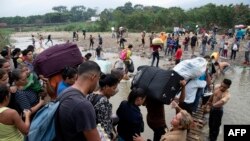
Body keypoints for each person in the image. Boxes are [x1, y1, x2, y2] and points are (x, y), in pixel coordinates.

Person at [55, 61, 101, 141]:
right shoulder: (84, 106)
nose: (98, 83)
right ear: (93, 77)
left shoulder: (65, 92)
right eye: (98, 79)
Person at [87, 74, 119, 139]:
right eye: (114, 88)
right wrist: (112, 136)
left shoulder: (90, 95)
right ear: (106, 87)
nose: (114, 91)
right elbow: (105, 126)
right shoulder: (104, 102)